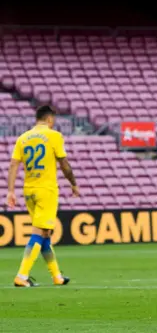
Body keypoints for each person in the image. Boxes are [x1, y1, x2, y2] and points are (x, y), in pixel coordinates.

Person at [7, 105, 79, 287]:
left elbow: (13, 165)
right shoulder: (53, 136)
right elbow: (64, 164)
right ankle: (21, 276)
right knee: (39, 232)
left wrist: (10, 191)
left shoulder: (22, 138)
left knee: (45, 233)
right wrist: (73, 183)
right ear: (50, 119)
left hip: (29, 191)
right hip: (46, 190)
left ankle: (57, 276)